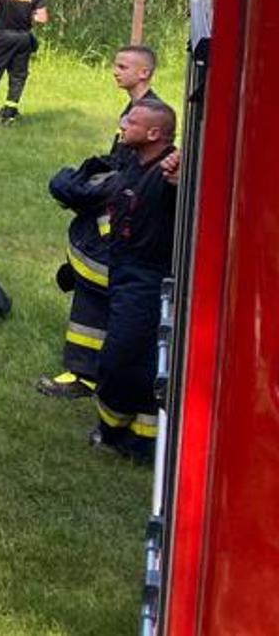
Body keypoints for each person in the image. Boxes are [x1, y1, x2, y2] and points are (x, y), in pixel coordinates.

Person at [37, 45, 161, 398]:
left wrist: (83, 192)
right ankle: (87, 369)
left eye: (123, 66)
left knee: (93, 288)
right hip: (115, 218)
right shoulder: (137, 107)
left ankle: (84, 374)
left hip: (118, 228)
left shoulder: (148, 111)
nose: (114, 71)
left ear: (144, 73)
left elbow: (127, 175)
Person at [87, 99, 178, 463]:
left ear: (154, 133)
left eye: (133, 121)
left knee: (121, 357)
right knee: (139, 358)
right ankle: (138, 440)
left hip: (147, 277)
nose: (123, 124)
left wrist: (184, 169)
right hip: (125, 271)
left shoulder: (169, 172)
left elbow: (193, 182)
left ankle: (112, 428)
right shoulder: (134, 164)